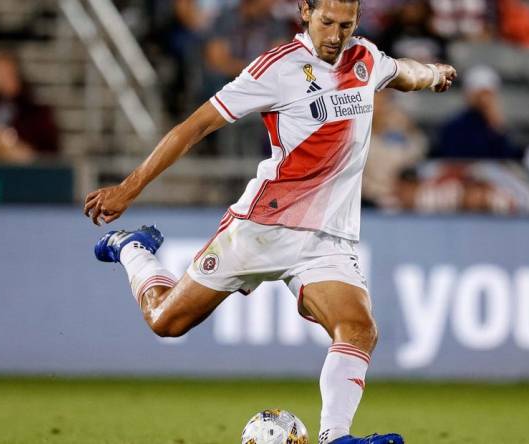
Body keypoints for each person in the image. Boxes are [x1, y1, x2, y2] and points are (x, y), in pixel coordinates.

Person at [83, 1, 456, 443]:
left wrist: (434, 75)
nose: (336, 35)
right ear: (305, 11)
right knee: (167, 321)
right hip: (262, 228)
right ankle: (132, 248)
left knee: (359, 328)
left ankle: (335, 437)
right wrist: (130, 186)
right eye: (327, 23)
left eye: (346, 25)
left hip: (327, 238)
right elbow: (194, 127)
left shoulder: (366, 58)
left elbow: (404, 73)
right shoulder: (276, 70)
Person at [434, 65, 520, 159]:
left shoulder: (498, 125)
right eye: (480, 94)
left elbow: (506, 157)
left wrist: (497, 127)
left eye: (487, 94)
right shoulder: (453, 126)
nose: (484, 99)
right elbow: (453, 158)